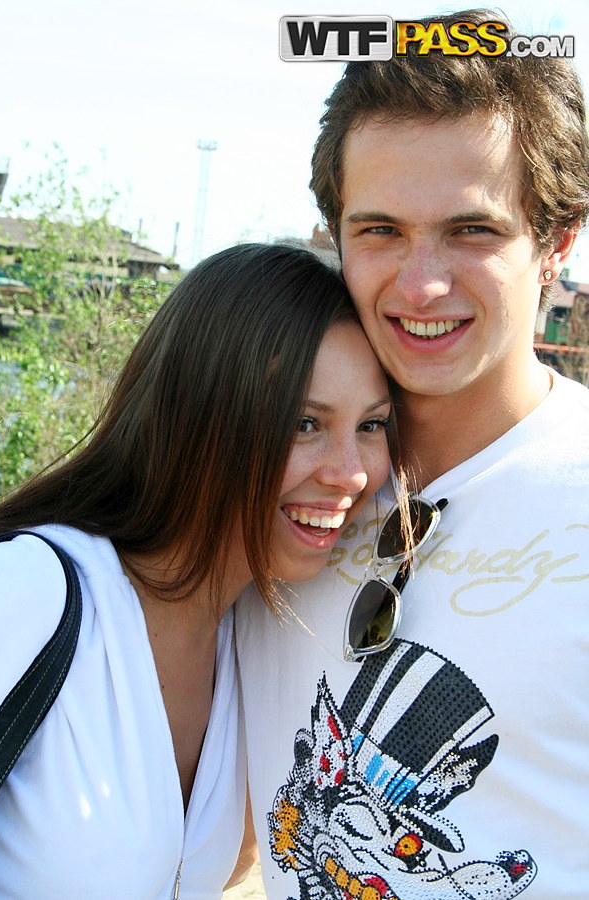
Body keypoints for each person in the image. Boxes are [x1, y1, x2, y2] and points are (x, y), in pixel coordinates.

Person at [236, 10, 589, 899]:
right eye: (380, 230)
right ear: (333, 234)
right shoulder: (263, 477)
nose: (422, 284)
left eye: (472, 230)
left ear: (557, 242)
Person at [0, 242, 397, 899]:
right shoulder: (27, 592)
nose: (351, 473)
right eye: (304, 422)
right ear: (199, 414)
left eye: (372, 425)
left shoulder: (252, 646)